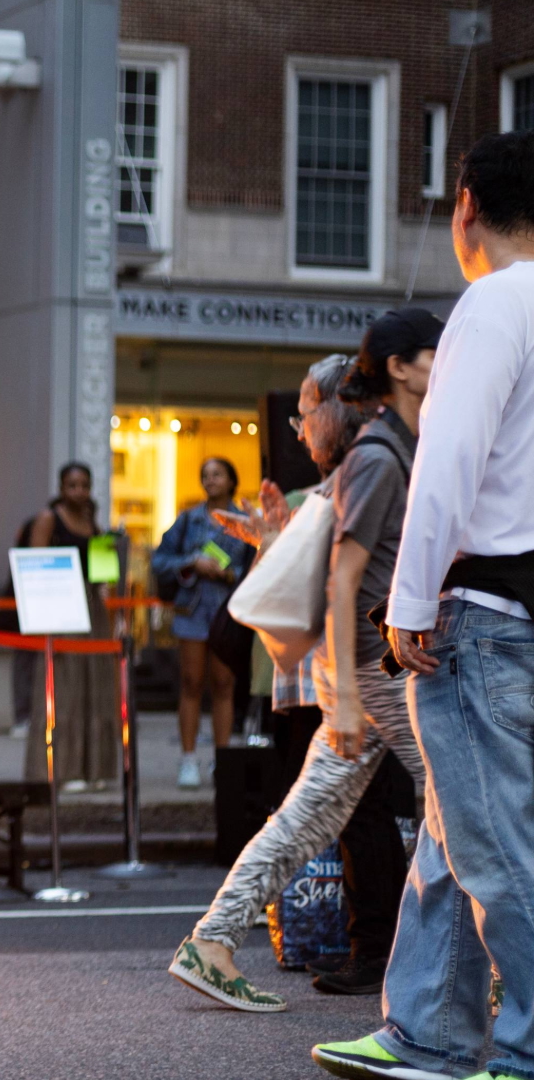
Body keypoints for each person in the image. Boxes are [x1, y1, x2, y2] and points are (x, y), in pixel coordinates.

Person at [315, 130, 534, 1080]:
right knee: (457, 833)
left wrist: (409, 600)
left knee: (493, 846)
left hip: (479, 609)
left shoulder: (492, 303)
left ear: (466, 208)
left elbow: (447, 463)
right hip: (522, 608)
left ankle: (513, 1046)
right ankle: (430, 1032)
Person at [168, 337, 433, 1011]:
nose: (301, 429)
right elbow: (341, 584)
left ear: (337, 411)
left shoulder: (349, 471)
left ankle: (214, 938)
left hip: (359, 673)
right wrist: (347, 693)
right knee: (461, 809)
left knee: (305, 819)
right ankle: (481, 975)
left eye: (305, 413)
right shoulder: (371, 464)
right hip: (375, 671)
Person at [150, 457, 255, 788]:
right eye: (206, 475)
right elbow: (159, 560)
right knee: (191, 682)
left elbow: (259, 564)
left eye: (218, 474)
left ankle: (222, 760)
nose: (211, 480)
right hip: (192, 609)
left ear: (231, 480)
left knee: (224, 684)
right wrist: (192, 562)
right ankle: (188, 759)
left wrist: (228, 574)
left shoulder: (244, 521)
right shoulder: (188, 520)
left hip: (228, 609)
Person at [24, 463, 122, 791]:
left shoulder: (92, 522)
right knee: (63, 686)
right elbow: (35, 565)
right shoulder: (49, 519)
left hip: (92, 608)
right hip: (60, 605)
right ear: (62, 487)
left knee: (93, 685)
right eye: (72, 485)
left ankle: (92, 768)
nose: (78, 491)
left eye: (84, 485)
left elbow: (102, 573)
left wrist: (109, 553)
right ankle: (59, 768)